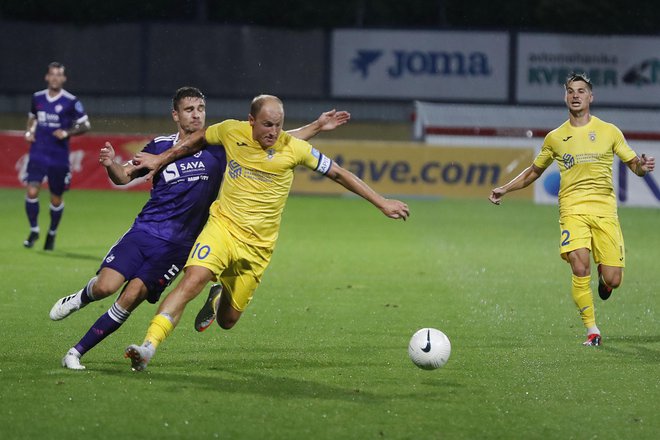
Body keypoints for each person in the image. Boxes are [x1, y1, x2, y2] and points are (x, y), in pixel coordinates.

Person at [49, 87, 350, 370]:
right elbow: (125, 176)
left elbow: (276, 135)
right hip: (145, 231)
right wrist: (110, 164)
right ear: (175, 115)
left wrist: (316, 126)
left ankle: (75, 352)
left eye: (201, 108)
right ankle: (80, 298)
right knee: (105, 287)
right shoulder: (161, 146)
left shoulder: (220, 147)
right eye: (189, 109)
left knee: (130, 297)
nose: (196, 114)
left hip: (179, 246)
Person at [124, 94, 410, 371]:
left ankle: (219, 294)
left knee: (228, 320)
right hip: (222, 229)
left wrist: (382, 202)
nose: (274, 131)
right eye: (267, 124)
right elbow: (199, 138)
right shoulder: (231, 131)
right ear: (251, 121)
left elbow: (338, 173)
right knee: (191, 281)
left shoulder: (295, 148)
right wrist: (160, 159)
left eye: (279, 124)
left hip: (257, 249)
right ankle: (149, 347)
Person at [488, 72, 655, 347]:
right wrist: (505, 188)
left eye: (580, 91)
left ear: (591, 97)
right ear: (565, 97)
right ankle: (592, 330)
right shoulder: (555, 137)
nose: (575, 95)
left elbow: (634, 165)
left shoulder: (609, 131)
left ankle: (605, 282)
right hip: (572, 208)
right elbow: (534, 171)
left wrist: (642, 165)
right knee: (579, 263)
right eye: (570, 91)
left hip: (604, 209)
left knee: (613, 278)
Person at [23, 61, 91, 251]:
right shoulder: (37, 98)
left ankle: (52, 232)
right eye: (52, 74)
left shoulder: (71, 101)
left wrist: (67, 132)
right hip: (37, 152)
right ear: (47, 77)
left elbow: (85, 124)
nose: (54, 77)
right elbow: (32, 117)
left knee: (55, 199)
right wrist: (29, 131)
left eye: (58, 74)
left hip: (58, 156)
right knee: (32, 192)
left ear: (63, 78)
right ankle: (34, 230)